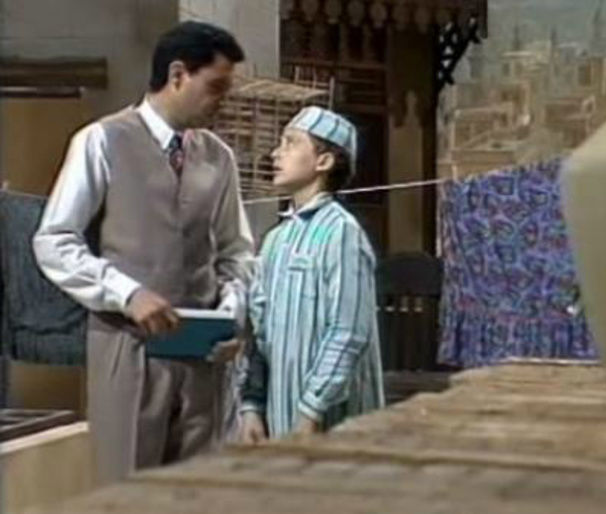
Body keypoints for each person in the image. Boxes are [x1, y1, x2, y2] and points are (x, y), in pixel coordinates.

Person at [33, 21, 254, 483]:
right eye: (215, 87)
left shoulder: (219, 157)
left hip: (204, 361)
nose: (223, 101)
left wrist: (232, 311)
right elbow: (54, 240)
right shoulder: (102, 140)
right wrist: (126, 293)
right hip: (128, 351)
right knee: (128, 489)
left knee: (199, 493)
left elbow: (236, 252)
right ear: (178, 75)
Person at [239, 106, 385, 442]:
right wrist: (252, 404)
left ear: (324, 161)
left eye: (290, 142)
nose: (276, 153)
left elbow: (349, 331)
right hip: (280, 413)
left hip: (332, 419)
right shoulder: (275, 240)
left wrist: (312, 407)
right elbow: (259, 331)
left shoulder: (341, 232)